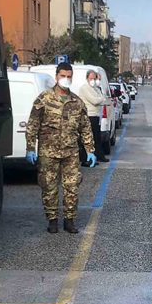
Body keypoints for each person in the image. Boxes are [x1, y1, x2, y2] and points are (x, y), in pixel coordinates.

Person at [25, 62, 97, 234]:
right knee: (49, 186)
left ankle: (69, 220)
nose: (66, 79)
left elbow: (85, 127)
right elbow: (33, 124)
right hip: (48, 152)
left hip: (70, 152)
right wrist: (30, 147)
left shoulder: (77, 102)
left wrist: (90, 150)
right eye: (63, 76)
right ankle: (52, 220)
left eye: (69, 76)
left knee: (72, 187)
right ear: (56, 76)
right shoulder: (44, 99)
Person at [74, 69, 108, 165]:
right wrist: (101, 99)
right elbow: (94, 101)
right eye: (91, 78)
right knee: (87, 138)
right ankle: (85, 159)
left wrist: (101, 99)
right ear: (87, 78)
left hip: (96, 115)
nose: (93, 80)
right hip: (88, 115)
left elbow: (103, 98)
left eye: (94, 78)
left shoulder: (96, 88)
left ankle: (97, 157)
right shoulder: (84, 88)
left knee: (96, 137)